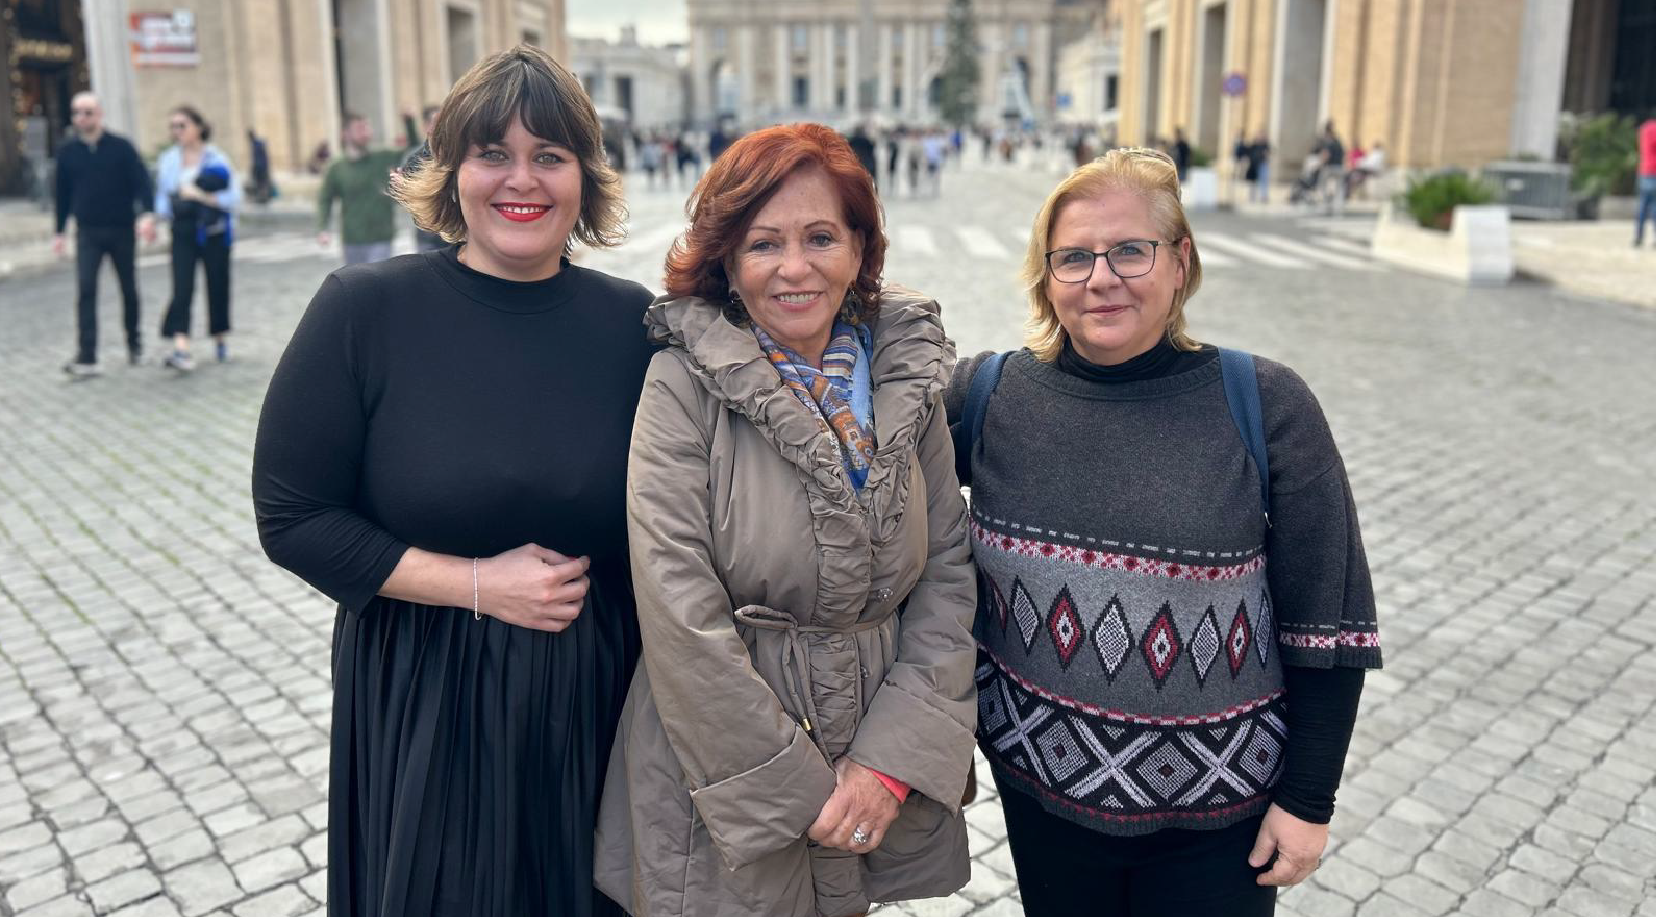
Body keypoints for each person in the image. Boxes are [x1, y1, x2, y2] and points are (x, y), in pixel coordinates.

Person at [252, 45, 651, 917]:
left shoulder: (634, 325)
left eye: (550, 155)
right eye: (492, 153)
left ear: (585, 177)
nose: (523, 180)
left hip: (599, 703)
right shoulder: (363, 311)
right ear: (449, 171)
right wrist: (475, 584)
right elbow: (293, 515)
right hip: (428, 693)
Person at [947, 148, 1381, 916]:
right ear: (1046, 277)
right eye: (1072, 257)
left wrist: (1308, 798)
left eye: (1129, 251)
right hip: (1041, 796)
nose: (1100, 277)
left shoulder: (1265, 402)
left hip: (1219, 819)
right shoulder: (990, 396)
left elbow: (1329, 616)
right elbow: (858, 455)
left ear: (1180, 262)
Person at [594, 122, 978, 917]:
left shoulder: (905, 378)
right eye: (764, 243)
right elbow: (677, 606)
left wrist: (887, 764)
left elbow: (946, 573)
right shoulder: (681, 384)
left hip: (872, 743)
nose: (794, 268)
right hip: (721, 767)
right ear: (728, 262)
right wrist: (791, 789)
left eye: (819, 237)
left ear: (859, 250)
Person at [53, 91, 156, 377]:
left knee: (128, 288)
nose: (81, 118)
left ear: (99, 114)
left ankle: (134, 345)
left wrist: (147, 214)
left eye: (87, 112)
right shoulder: (67, 152)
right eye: (76, 113)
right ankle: (87, 355)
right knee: (86, 290)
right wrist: (59, 231)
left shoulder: (121, 147)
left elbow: (141, 182)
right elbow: (61, 194)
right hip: (88, 231)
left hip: (122, 228)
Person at [154, 105, 241, 371]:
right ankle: (181, 347)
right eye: (173, 127)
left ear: (198, 127)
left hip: (213, 230)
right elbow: (161, 197)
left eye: (182, 125)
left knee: (217, 283)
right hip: (182, 230)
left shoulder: (216, 158)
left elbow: (234, 198)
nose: (177, 131)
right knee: (182, 286)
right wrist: (158, 215)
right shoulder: (169, 159)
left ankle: (219, 337)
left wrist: (199, 196)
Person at [318, 112, 414, 265]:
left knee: (377, 282)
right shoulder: (337, 167)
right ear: (346, 134)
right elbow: (325, 200)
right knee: (355, 284)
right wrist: (323, 229)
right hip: (352, 239)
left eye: (367, 127)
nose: (366, 132)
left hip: (382, 237)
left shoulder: (382, 157)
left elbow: (413, 150)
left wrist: (409, 122)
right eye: (360, 128)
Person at [398, 105, 447, 252]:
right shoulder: (416, 156)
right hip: (428, 234)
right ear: (427, 125)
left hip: (456, 232)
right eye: (436, 121)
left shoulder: (456, 152)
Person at [1634, 116, 1654, 247]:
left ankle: (1638, 237)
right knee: (1655, 207)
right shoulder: (1655, 129)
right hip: (1654, 171)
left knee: (1642, 206)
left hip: (1643, 171)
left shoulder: (1643, 130)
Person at [1247, 134, 1271, 203]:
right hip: (1255, 166)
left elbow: (1269, 153)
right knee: (1253, 182)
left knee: (1264, 181)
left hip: (1263, 165)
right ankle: (1252, 196)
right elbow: (1250, 154)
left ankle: (1263, 196)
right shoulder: (1254, 146)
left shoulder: (1266, 146)